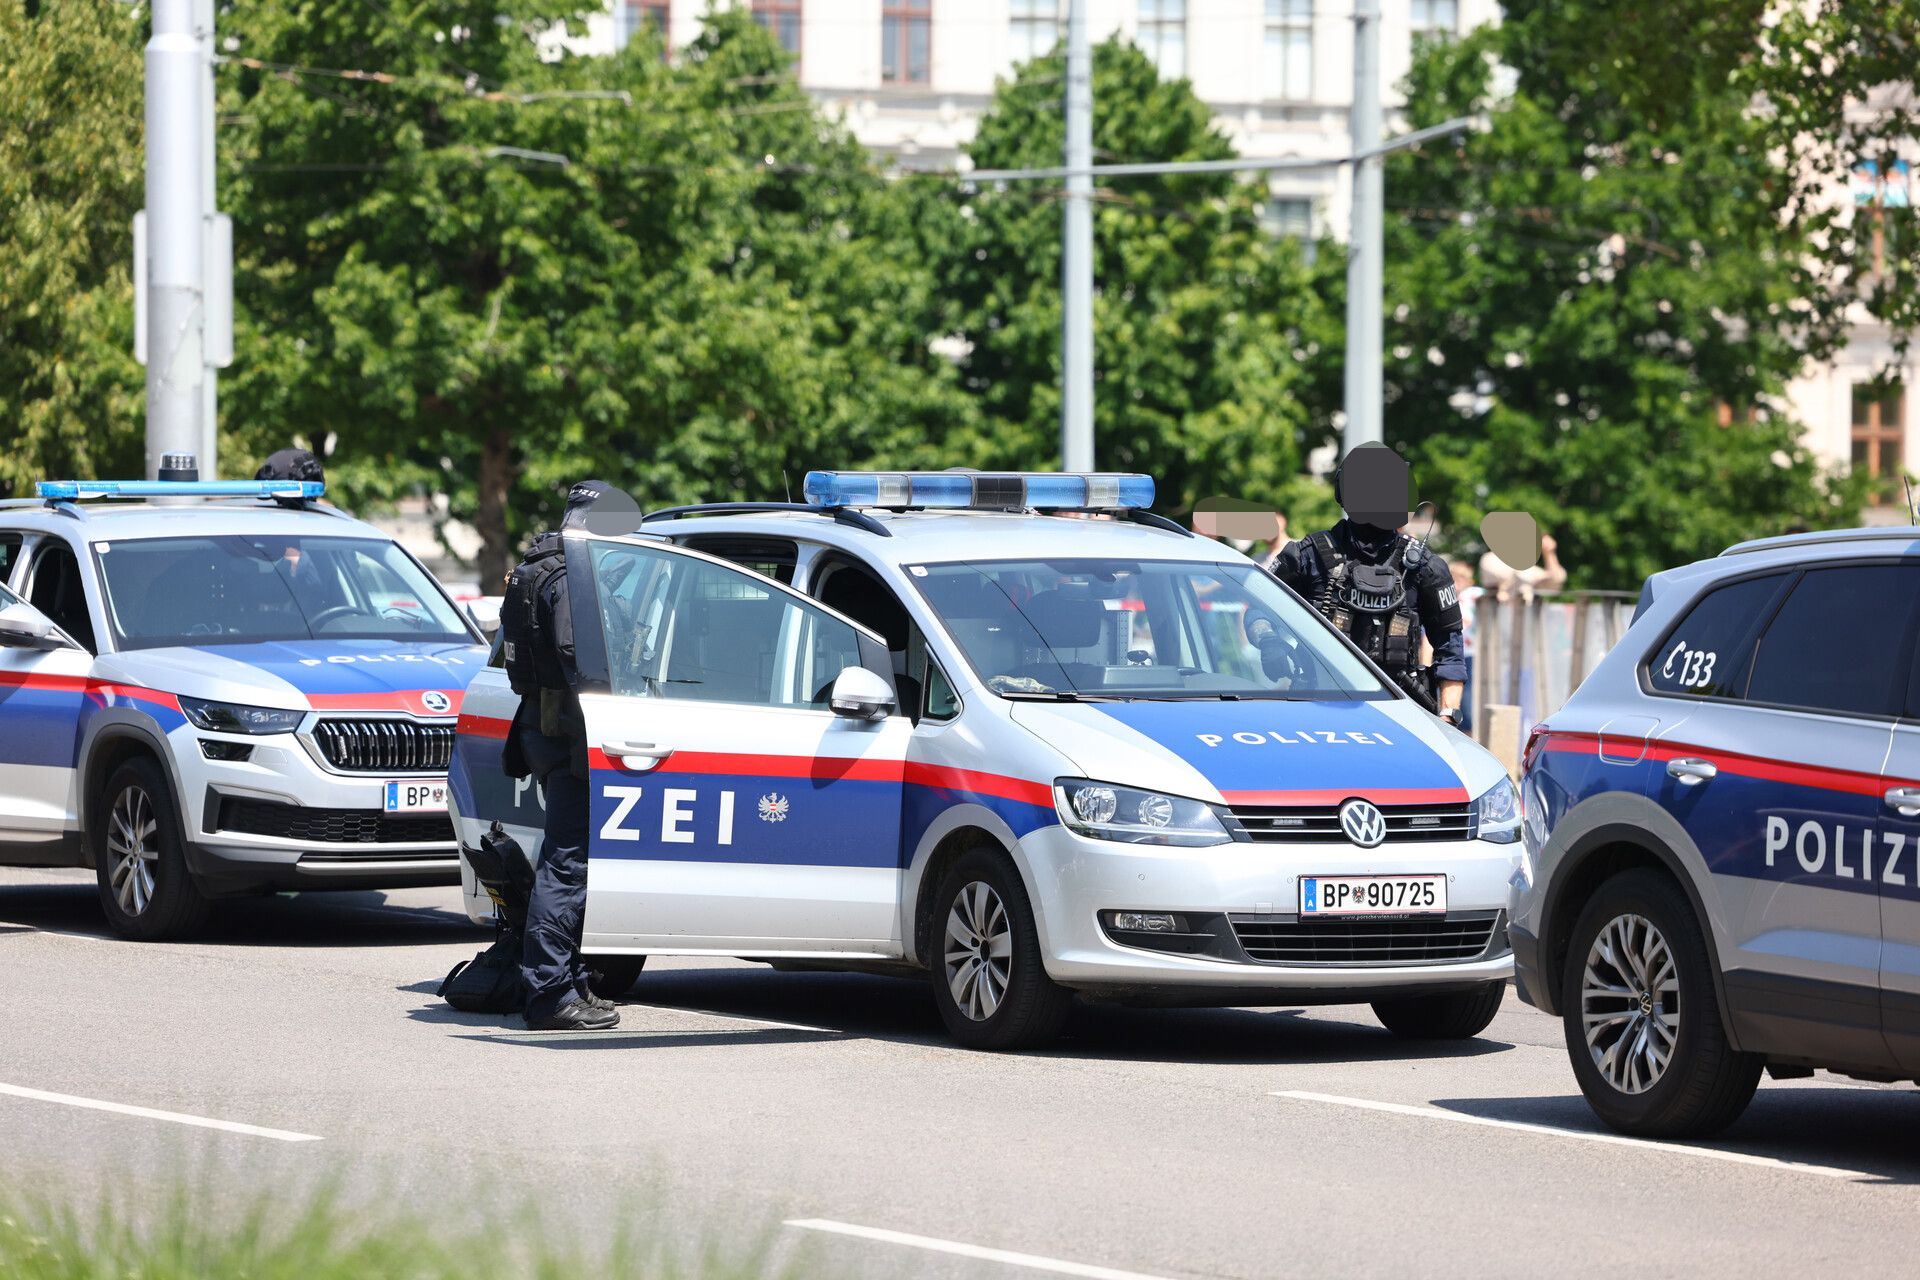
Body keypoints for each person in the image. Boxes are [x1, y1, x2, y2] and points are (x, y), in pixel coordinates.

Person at [501, 480, 622, 1032]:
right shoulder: (570, 577)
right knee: (568, 863)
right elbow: (583, 658)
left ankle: (567, 980)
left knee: (569, 858)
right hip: (572, 733)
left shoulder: (535, 566)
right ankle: (549, 994)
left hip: (545, 728)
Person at [1269, 445, 1467, 726]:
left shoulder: (1425, 566)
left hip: (1403, 712)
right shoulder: (1306, 555)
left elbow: (1450, 648)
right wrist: (1269, 641)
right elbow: (1257, 607)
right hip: (1317, 711)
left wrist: (1448, 717)